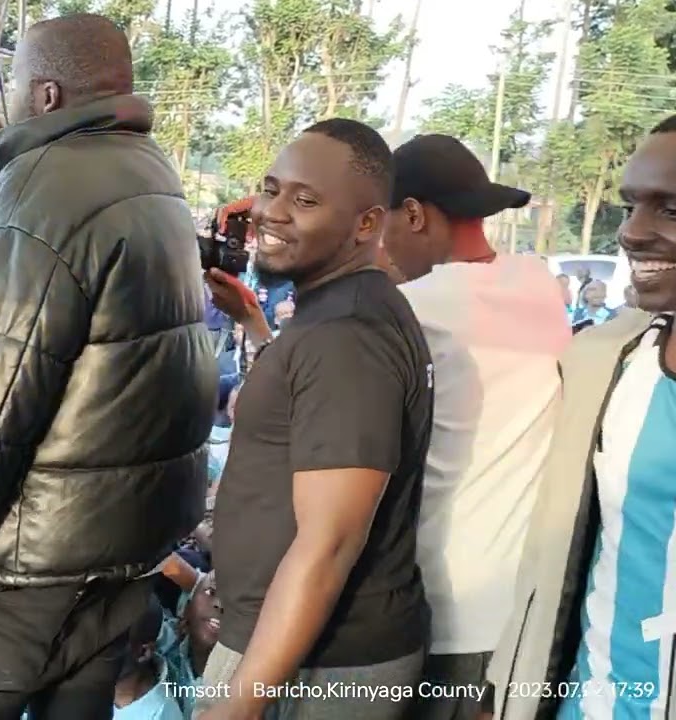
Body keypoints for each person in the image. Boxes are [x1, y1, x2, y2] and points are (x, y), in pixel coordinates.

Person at [0, 13, 216, 719]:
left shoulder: (47, 190)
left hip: (18, 576)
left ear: (49, 96)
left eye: (13, 81)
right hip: (109, 559)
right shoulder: (144, 171)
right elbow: (48, 306)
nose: (2, 95)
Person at [199, 119, 433, 720]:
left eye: (304, 200)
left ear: (365, 224)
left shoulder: (347, 337)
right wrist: (254, 325)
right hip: (292, 649)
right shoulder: (334, 313)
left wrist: (240, 703)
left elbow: (329, 544)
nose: (272, 212)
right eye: (271, 189)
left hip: (321, 665)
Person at [484, 115, 676, 719]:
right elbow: (556, 557)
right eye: (629, 207)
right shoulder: (605, 363)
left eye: (671, 210)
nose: (633, 233)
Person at [377, 134, 571, 720]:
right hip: (525, 604)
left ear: (413, 214)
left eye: (383, 221)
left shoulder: (416, 306)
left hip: (445, 604)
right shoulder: (541, 284)